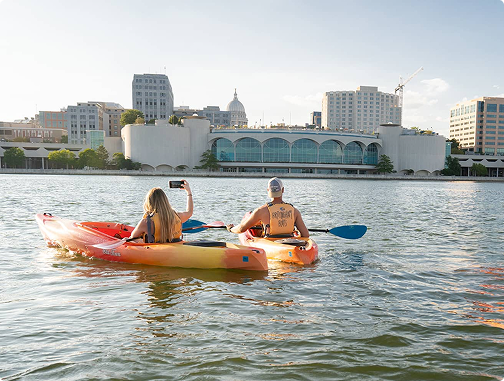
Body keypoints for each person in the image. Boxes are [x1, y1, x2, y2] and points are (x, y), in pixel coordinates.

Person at [227, 177, 309, 237]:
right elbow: (305, 235)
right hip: (290, 241)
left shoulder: (261, 211)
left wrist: (231, 228)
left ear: (268, 190)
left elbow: (242, 229)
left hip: (271, 242)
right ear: (282, 190)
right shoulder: (294, 211)